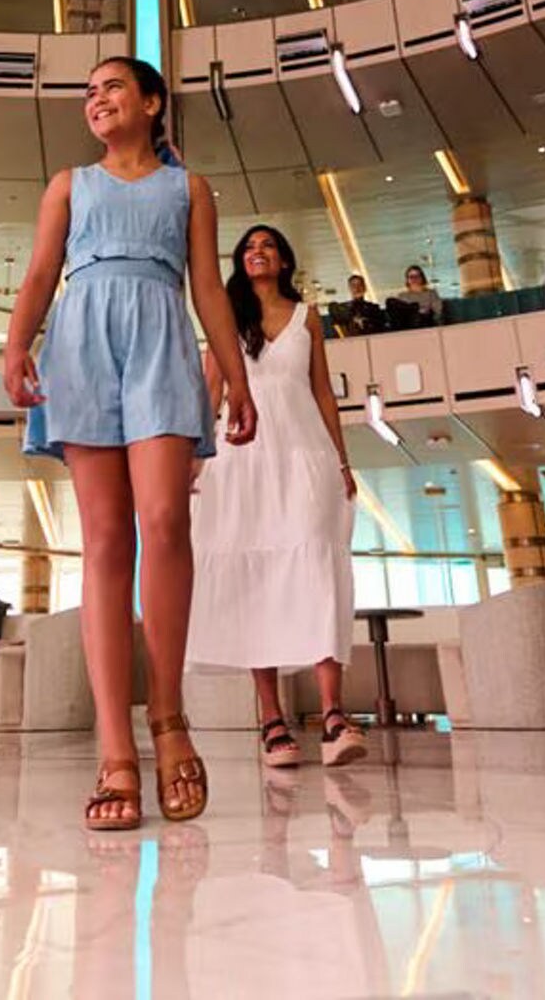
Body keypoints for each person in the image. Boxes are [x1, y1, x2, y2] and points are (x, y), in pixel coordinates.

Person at [5, 56, 257, 833]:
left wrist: (237, 378)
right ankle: (115, 749)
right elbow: (43, 271)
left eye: (113, 86)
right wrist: (18, 346)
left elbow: (208, 288)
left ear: (151, 102)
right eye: (89, 92)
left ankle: (169, 718)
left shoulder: (190, 189)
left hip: (160, 338)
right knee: (106, 538)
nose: (97, 98)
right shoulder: (67, 185)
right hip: (82, 342)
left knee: (164, 520)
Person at [187, 225, 366, 771]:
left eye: (267, 246)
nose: (257, 252)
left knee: (317, 565)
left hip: (304, 455)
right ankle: (271, 718)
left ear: (285, 260)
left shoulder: (307, 316)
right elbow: (209, 389)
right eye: (248, 247)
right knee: (253, 579)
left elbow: (322, 392)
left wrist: (341, 459)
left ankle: (334, 715)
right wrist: (193, 458)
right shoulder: (224, 315)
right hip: (241, 461)